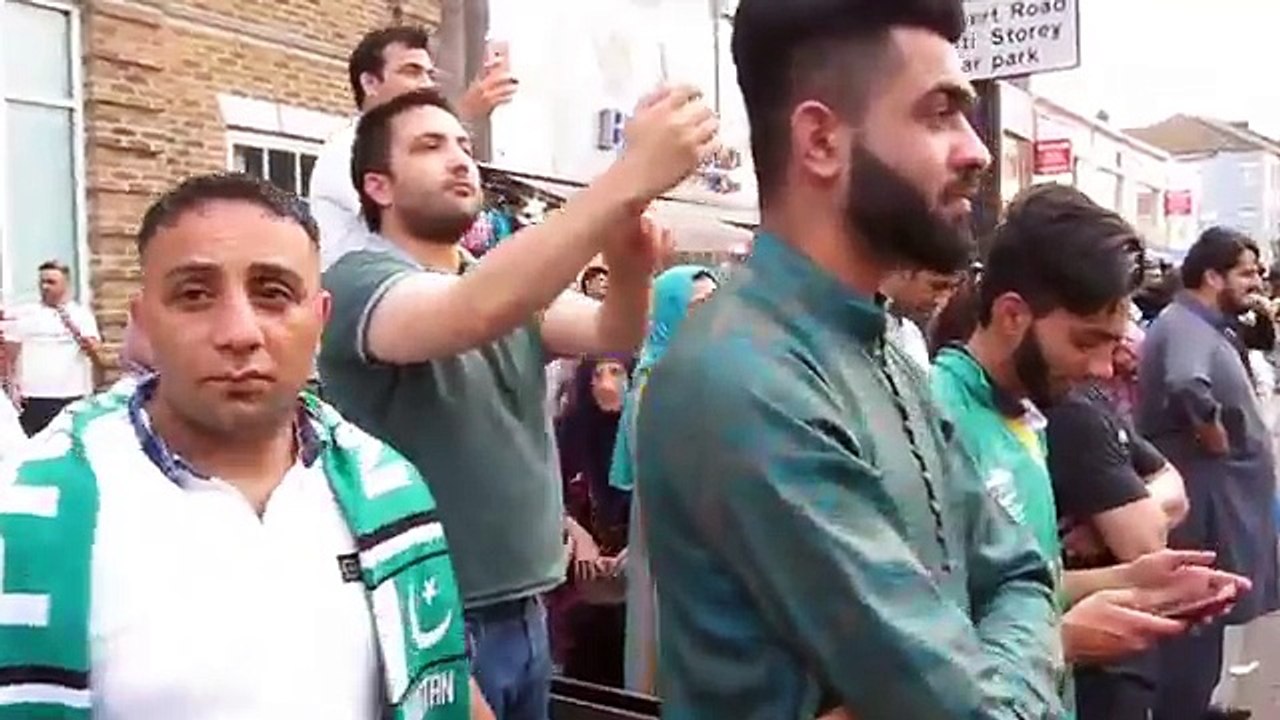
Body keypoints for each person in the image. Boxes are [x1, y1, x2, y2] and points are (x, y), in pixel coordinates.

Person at [633, 2, 1067, 717]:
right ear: (821, 141)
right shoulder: (745, 379)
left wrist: (986, 673)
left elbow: (1021, 576)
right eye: (939, 114)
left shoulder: (886, 351)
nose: (977, 151)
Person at [0, 173, 491, 720]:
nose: (239, 332)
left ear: (321, 320)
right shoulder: (30, 511)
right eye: (194, 295)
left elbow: (443, 685)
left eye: (273, 294)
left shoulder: (389, 490)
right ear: (143, 323)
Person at [318, 85, 712, 720]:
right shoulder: (357, 281)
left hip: (527, 612)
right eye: (429, 146)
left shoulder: (493, 278)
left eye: (463, 144)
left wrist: (629, 267)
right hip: (430, 617)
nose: (459, 158)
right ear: (377, 186)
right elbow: (469, 312)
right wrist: (627, 175)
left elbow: (613, 330)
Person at [933, 186, 1249, 675]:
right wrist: (1064, 643)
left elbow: (1022, 589)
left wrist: (1130, 579)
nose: (1103, 369)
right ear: (1012, 315)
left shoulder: (1027, 412)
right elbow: (926, 635)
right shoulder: (936, 417)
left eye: (1112, 345)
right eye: (1085, 343)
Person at [1137, 227, 1280, 720]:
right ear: (1212, 276)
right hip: (1206, 503)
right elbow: (1186, 384)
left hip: (1222, 500)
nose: (1255, 283)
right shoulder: (1184, 325)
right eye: (1245, 273)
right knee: (1195, 617)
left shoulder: (1206, 326)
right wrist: (1213, 435)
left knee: (1211, 615)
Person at [310, 26, 519, 271]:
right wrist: (462, 114)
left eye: (429, 75)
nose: (426, 85)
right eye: (412, 71)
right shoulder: (345, 148)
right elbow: (420, 206)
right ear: (369, 83)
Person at [605, 265, 717, 695]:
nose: (713, 315)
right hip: (671, 540)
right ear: (670, 311)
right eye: (699, 306)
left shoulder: (702, 375)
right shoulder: (654, 386)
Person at [550, 354, 631, 687]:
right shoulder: (569, 433)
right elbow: (547, 496)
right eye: (597, 374)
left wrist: (637, 550)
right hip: (580, 582)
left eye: (616, 372)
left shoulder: (646, 433)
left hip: (636, 584)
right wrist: (578, 535)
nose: (607, 383)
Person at [12, 260, 103, 435]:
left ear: (66, 284)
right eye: (42, 282)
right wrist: (12, 387)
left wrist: (82, 338)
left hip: (72, 395)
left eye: (51, 282)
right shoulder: (26, 314)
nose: (45, 287)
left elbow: (96, 352)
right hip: (34, 397)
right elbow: (12, 352)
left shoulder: (80, 314)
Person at [882, 268, 962, 370]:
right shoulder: (870, 327)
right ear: (905, 273)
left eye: (951, 290)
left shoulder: (913, 334)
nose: (941, 301)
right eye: (936, 286)